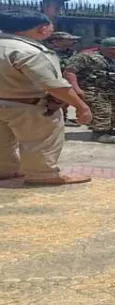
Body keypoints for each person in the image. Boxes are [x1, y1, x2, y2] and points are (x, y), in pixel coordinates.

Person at [0, 10, 92, 185]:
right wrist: (81, 106)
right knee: (39, 141)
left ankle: (5, 172)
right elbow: (54, 85)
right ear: (42, 28)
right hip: (29, 106)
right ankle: (42, 175)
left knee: (1, 143)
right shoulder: (29, 51)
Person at [45, 31, 82, 127]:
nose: (73, 41)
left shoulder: (72, 52)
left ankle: (63, 118)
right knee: (53, 100)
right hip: (54, 80)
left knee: (66, 100)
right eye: (69, 40)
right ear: (56, 41)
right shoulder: (47, 52)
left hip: (68, 80)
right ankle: (51, 119)